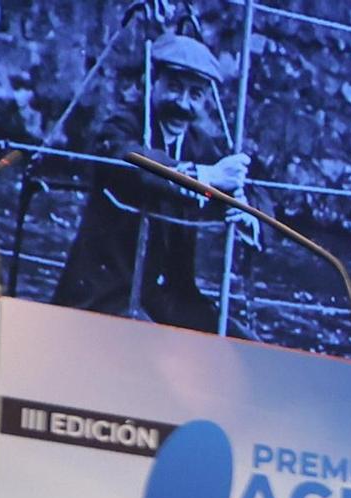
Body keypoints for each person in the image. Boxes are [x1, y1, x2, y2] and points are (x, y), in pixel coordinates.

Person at [54, 32, 254, 332]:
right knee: (152, 350)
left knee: (243, 345)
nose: (182, 103)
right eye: (174, 88)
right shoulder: (122, 127)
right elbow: (132, 164)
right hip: (106, 296)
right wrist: (203, 178)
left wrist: (247, 211)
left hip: (169, 300)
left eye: (195, 95)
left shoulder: (201, 145)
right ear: (151, 82)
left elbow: (250, 186)